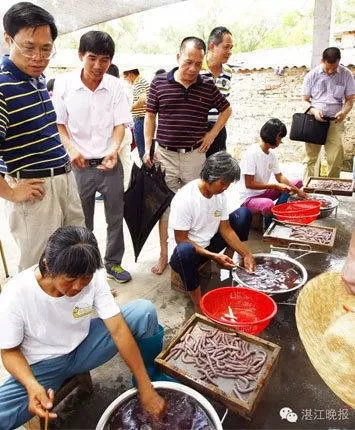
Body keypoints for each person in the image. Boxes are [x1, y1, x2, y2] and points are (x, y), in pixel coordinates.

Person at [0, 226, 166, 428]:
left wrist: (145, 386)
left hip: (85, 346)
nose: (78, 287)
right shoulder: (15, 294)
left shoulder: (93, 279)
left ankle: (149, 376)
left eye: (85, 279)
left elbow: (118, 329)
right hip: (44, 365)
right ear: (48, 265)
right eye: (70, 279)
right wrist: (31, 385)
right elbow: (8, 351)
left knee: (143, 312)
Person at [0, 2, 84, 272]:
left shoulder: (35, 78)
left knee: (76, 248)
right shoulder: (2, 86)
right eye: (29, 47)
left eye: (46, 49)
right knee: (38, 266)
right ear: (7, 39)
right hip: (34, 190)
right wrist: (11, 193)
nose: (38, 56)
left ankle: (78, 299)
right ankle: (35, 314)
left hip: (63, 179)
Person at [143, 36, 232, 275]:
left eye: (198, 63)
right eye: (188, 62)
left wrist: (212, 135)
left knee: (199, 203)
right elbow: (150, 116)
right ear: (178, 57)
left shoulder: (207, 85)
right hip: (166, 157)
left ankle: (194, 253)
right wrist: (147, 147)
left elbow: (226, 109)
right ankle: (165, 255)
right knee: (165, 209)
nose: (193, 69)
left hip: (195, 156)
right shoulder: (159, 83)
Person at [52, 31, 132, 283]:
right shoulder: (64, 84)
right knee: (80, 220)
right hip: (79, 164)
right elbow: (59, 124)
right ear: (80, 56)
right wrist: (72, 150)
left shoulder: (117, 86)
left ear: (111, 61)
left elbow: (121, 124)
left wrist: (114, 150)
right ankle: (88, 266)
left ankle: (113, 263)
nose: (98, 66)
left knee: (115, 217)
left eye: (105, 60)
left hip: (110, 165)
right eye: (92, 58)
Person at [168, 152, 255, 311]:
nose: (225, 187)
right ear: (210, 176)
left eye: (228, 184)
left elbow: (226, 228)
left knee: (243, 215)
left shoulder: (219, 195)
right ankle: (199, 304)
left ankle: (226, 260)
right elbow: (181, 239)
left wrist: (246, 254)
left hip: (208, 244)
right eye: (223, 183)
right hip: (189, 252)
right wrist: (213, 256)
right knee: (184, 251)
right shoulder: (185, 198)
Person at [239, 118, 306, 230]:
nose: (280, 141)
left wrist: (298, 191)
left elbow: (279, 177)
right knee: (268, 204)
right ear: (271, 135)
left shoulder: (271, 156)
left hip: (263, 192)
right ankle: (269, 224)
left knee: (297, 183)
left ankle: (277, 214)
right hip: (249, 197)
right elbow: (249, 184)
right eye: (279, 137)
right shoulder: (251, 153)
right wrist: (274, 186)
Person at [302, 47, 355, 183]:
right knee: (310, 158)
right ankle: (308, 190)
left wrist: (344, 112)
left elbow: (350, 100)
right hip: (314, 121)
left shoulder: (346, 74)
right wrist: (314, 111)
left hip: (335, 122)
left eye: (335, 67)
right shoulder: (312, 75)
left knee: (335, 158)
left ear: (339, 62)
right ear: (322, 61)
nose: (331, 71)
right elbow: (305, 101)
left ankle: (330, 190)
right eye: (328, 67)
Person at [200, 26, 233, 157]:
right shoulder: (196, 69)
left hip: (218, 130)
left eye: (231, 48)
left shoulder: (228, 72)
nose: (229, 52)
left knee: (218, 173)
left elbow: (225, 106)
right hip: (197, 132)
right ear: (212, 46)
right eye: (226, 47)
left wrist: (213, 133)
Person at [123, 67, 150, 159]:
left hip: (141, 120)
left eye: (125, 77)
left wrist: (129, 109)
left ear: (130, 74)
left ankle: (146, 172)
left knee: (142, 151)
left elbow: (142, 99)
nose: (126, 80)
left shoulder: (139, 83)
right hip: (143, 120)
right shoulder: (142, 82)